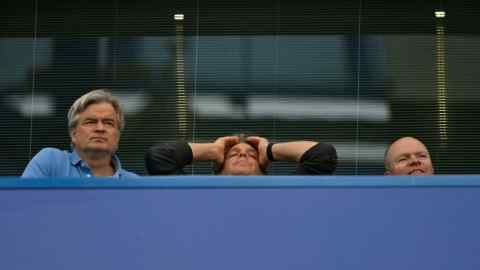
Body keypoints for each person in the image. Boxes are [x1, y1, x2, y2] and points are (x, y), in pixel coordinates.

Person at [22, 89, 138, 178]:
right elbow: (22, 205)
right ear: (73, 133)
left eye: (108, 123)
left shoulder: (134, 184)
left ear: (117, 136)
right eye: (91, 122)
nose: (100, 128)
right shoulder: (51, 162)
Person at [145, 134, 337, 175]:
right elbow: (159, 157)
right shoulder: (196, 193)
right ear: (218, 171)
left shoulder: (283, 193)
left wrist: (269, 150)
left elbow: (322, 155)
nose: (243, 155)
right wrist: (214, 150)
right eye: (233, 154)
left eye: (252, 155)